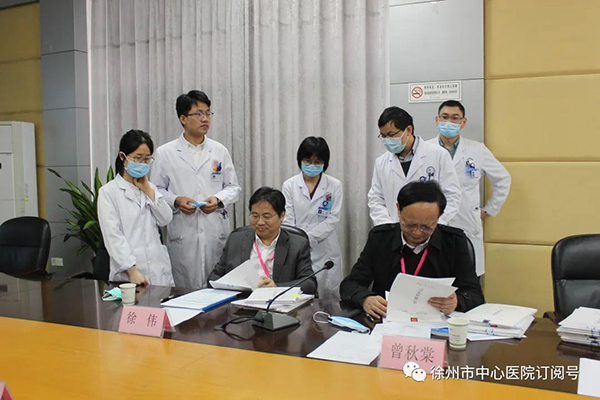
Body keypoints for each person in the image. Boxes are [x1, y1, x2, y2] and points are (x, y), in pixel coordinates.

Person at [340, 181, 484, 319]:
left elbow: (475, 294)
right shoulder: (381, 238)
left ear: (439, 216)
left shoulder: (453, 242)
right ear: (398, 210)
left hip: (436, 324)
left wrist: (457, 301)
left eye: (426, 227)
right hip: (387, 321)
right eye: (410, 225)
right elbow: (350, 284)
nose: (417, 232)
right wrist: (365, 299)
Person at [151, 90, 241, 288]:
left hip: (213, 230)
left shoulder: (219, 150)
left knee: (217, 287)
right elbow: (155, 190)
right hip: (183, 232)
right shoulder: (165, 153)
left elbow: (233, 188)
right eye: (198, 114)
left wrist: (218, 200)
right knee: (185, 291)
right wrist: (176, 200)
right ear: (183, 118)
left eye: (208, 113)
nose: (205, 119)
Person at [427, 100, 511, 276]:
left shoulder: (477, 150)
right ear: (437, 120)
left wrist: (489, 210)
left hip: (466, 220)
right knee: (434, 275)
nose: (449, 122)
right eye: (445, 117)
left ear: (463, 122)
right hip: (433, 221)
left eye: (455, 118)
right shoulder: (425, 150)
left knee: (468, 277)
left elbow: (503, 179)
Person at [98, 129, 174, 286]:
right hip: (129, 275)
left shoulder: (150, 188)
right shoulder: (109, 192)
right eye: (138, 158)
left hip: (158, 271)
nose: (142, 163)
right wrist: (131, 271)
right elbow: (113, 237)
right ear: (122, 157)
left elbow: (166, 218)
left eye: (147, 159)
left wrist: (147, 189)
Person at [207, 187, 317, 295]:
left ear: (282, 216)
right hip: (240, 301)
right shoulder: (236, 239)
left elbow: (309, 283)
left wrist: (277, 287)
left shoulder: (297, 244)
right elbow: (214, 277)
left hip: (276, 302)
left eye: (266, 216)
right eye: (255, 216)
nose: (260, 222)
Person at [367, 107, 461, 227]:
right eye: (383, 136)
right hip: (395, 229)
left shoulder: (438, 155)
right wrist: (387, 225)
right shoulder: (381, 162)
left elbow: (452, 195)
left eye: (391, 135)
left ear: (408, 130)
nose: (387, 140)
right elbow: (376, 199)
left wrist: (435, 223)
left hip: (430, 229)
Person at [282, 137, 343, 300]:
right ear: (300, 160)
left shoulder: (334, 185)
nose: (312, 166)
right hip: (297, 247)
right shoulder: (290, 185)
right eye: (307, 161)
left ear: (325, 163)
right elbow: (288, 219)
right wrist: (300, 241)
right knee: (299, 296)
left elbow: (332, 219)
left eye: (317, 162)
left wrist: (309, 238)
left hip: (326, 249)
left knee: (328, 297)